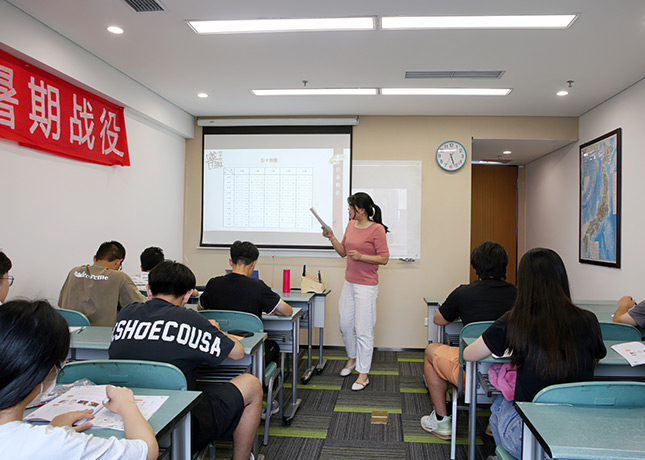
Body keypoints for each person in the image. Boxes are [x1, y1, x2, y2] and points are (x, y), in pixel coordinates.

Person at [109, 261, 262, 460]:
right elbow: (237, 353)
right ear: (188, 294)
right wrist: (214, 330)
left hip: (122, 421)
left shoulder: (126, 314)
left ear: (149, 290)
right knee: (251, 384)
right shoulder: (190, 319)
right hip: (178, 426)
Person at [463, 248, 606, 458]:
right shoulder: (589, 319)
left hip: (530, 437)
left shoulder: (514, 320)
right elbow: (597, 355)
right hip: (579, 434)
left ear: (524, 283)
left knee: (501, 402)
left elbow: (469, 354)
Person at [0, 299, 158, 460]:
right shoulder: (54, 444)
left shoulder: (37, 441)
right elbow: (148, 451)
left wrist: (52, 429)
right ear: (45, 370)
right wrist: (127, 405)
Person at [420, 241, 517, 439]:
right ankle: (496, 420)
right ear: (504, 265)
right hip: (509, 374)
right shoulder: (519, 294)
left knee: (431, 350)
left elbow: (438, 319)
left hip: (472, 375)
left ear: (476, 266)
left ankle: (441, 420)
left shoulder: (464, 292)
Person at [322, 192, 389, 391]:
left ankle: (363, 373)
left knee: (364, 330)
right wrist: (332, 238)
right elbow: (343, 252)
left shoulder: (377, 229)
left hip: (366, 287)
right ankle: (352, 358)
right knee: (345, 325)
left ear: (361, 209)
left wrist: (362, 256)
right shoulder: (351, 225)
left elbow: (384, 258)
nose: (348, 210)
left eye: (351, 207)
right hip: (349, 283)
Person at [199, 240, 293, 366]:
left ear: (230, 262)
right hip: (249, 351)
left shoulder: (213, 283)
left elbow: (200, 308)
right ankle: (260, 378)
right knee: (273, 346)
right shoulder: (258, 286)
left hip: (219, 349)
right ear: (254, 263)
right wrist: (274, 310)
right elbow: (288, 311)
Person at [58, 241, 146, 326]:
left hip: (68, 332)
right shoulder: (119, 277)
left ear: (95, 258)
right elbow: (142, 307)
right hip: (102, 334)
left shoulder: (74, 272)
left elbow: (61, 303)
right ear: (118, 262)